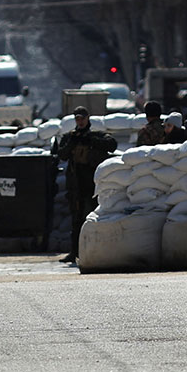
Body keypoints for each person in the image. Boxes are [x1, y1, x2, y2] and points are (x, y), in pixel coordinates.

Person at [56, 106, 117, 263]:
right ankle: (74, 252)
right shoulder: (70, 137)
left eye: (82, 118)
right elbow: (61, 154)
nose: (80, 121)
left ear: (88, 118)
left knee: (95, 218)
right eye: (77, 119)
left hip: (92, 185)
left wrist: (91, 141)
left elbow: (111, 144)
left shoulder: (96, 136)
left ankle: (96, 250)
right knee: (76, 220)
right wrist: (73, 142)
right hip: (76, 184)